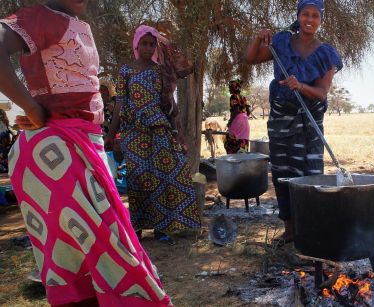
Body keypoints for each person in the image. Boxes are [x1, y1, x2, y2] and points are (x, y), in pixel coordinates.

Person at [0, 1, 172, 306]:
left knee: (82, 258)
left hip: (72, 147)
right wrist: (28, 106)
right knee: (112, 250)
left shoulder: (73, 23)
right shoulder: (42, 16)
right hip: (59, 152)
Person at [245, 0, 343, 244]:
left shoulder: (327, 54)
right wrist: (259, 38)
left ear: (320, 20)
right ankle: (289, 230)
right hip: (281, 120)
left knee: (310, 173)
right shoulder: (281, 42)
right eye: (305, 14)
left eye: (315, 16)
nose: (310, 20)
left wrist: (300, 86)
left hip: (309, 123)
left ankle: (308, 229)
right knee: (283, 172)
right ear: (298, 16)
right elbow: (251, 58)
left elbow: (321, 93)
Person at [106, 25, 201, 244]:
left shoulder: (159, 71)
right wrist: (113, 135)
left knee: (163, 177)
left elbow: (168, 103)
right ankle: (136, 228)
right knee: (138, 180)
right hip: (133, 132)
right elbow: (120, 103)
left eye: (152, 44)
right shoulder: (126, 71)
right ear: (137, 44)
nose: (148, 48)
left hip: (159, 129)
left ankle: (161, 227)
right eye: (144, 44)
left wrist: (178, 135)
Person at [223, 79, 250, 154]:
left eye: (230, 87)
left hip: (237, 120)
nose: (229, 89)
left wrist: (229, 122)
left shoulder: (233, 97)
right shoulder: (243, 98)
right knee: (242, 140)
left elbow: (236, 110)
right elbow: (248, 112)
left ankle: (232, 159)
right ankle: (242, 158)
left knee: (229, 140)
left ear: (235, 88)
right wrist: (243, 117)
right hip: (245, 122)